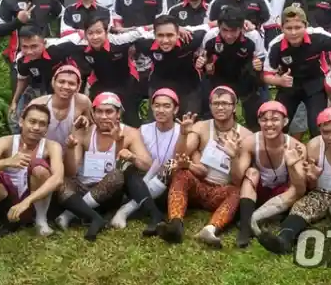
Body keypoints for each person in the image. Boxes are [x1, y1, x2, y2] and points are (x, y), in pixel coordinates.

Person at [257, 108, 331, 254]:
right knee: (301, 207)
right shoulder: (314, 146)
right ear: (319, 130)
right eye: (326, 132)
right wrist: (312, 179)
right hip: (320, 192)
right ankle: (284, 239)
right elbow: (309, 187)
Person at [156, 86, 253, 247]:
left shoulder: (246, 136)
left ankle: (210, 229)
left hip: (222, 191)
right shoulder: (201, 127)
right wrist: (183, 134)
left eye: (225, 104)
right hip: (198, 185)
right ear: (210, 106)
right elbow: (180, 156)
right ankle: (175, 224)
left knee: (237, 192)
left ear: (234, 107)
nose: (220, 107)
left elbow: (237, 179)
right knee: (182, 174)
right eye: (216, 103)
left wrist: (233, 157)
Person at [54, 92, 154, 241]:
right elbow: (71, 171)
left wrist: (132, 156)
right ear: (93, 114)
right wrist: (69, 149)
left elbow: (147, 165)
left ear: (118, 114)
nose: (104, 116)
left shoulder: (130, 133)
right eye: (99, 112)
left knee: (118, 174)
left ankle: (73, 214)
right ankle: (94, 217)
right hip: (83, 187)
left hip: (110, 192)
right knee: (60, 179)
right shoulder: (84, 132)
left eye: (109, 112)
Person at [0, 104, 65, 237]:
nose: (36, 127)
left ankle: (40, 220)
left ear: (46, 128)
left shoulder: (52, 146)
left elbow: (58, 179)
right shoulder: (6, 141)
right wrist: (8, 162)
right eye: (32, 121)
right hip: (8, 197)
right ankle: (6, 217)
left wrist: (27, 202)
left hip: (35, 200)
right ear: (21, 122)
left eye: (42, 124)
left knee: (39, 168)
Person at [264, 6, 331, 138]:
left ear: (306, 26)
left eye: (298, 27)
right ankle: (277, 149)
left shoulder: (318, 35)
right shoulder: (275, 45)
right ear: (281, 28)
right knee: (276, 122)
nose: (293, 32)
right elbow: (267, 75)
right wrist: (279, 81)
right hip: (289, 84)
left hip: (315, 83)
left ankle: (319, 149)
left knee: (317, 125)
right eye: (289, 28)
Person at [234, 101, 307, 248]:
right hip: (259, 191)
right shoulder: (250, 142)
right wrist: (233, 157)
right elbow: (237, 179)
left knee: (294, 188)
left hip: (282, 194)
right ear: (259, 122)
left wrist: (292, 165)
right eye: (264, 120)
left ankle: (252, 220)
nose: (269, 124)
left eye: (275, 120)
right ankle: (246, 229)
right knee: (251, 172)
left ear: (285, 122)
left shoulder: (296, 146)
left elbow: (300, 189)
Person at [110, 89, 182, 233]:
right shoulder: (143, 130)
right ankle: (151, 212)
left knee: (170, 166)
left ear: (175, 109)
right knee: (127, 165)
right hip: (143, 180)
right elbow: (134, 161)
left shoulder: (182, 131)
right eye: (157, 105)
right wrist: (132, 156)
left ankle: (125, 210)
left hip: (168, 186)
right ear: (152, 107)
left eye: (166, 106)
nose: (161, 110)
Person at [111, 0, 169, 126]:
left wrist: (137, 32)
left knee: (155, 95)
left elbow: (161, 24)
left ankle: (155, 128)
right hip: (127, 52)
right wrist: (128, 39)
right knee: (129, 97)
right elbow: (116, 24)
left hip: (151, 52)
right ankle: (130, 129)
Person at [0, 0, 63, 102]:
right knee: (20, 102)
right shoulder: (7, 1)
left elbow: (64, 16)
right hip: (20, 58)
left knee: (51, 100)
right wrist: (18, 21)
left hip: (46, 57)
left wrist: (56, 38)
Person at [198, 5, 267, 131]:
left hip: (245, 78)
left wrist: (259, 66)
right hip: (219, 78)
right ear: (219, 27)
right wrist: (205, 65)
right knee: (211, 113)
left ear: (241, 28)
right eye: (224, 30)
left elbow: (261, 60)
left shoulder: (253, 36)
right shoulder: (210, 36)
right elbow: (205, 59)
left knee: (256, 115)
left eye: (234, 30)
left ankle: (254, 136)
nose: (229, 35)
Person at [9, 27, 87, 133]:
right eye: (25, 47)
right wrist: (14, 101)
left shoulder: (59, 47)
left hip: (67, 84)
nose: (29, 51)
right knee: (16, 116)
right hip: (40, 85)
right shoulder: (21, 60)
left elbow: (82, 35)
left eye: (34, 46)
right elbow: (22, 79)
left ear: (44, 43)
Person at [76, 17, 149, 127]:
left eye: (99, 32)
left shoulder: (120, 40)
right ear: (85, 34)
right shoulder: (81, 46)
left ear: (106, 32)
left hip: (125, 82)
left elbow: (143, 31)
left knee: (131, 120)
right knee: (93, 116)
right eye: (90, 33)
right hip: (101, 83)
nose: (95, 37)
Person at [135, 15, 209, 116]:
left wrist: (204, 56)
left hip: (189, 88)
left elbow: (207, 29)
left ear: (178, 34)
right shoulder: (145, 44)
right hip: (159, 87)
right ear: (154, 35)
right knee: (158, 122)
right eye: (160, 35)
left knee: (190, 122)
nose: (165, 40)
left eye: (170, 35)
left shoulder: (191, 40)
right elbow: (135, 35)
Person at [26, 65, 92, 154]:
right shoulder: (38, 103)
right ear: (53, 82)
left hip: (71, 151)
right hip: (43, 151)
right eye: (61, 82)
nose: (66, 87)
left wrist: (85, 120)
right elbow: (25, 131)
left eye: (71, 83)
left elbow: (92, 127)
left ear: (78, 86)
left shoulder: (82, 102)